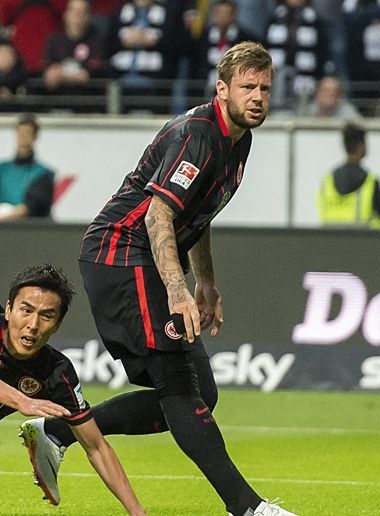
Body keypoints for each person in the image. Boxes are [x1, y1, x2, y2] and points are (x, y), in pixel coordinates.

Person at [20, 42, 296, 516]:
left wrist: (205, 282)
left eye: (265, 89)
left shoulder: (239, 140)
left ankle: (59, 431)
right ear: (222, 88)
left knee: (201, 395)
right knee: (178, 385)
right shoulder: (198, 135)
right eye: (248, 87)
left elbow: (200, 211)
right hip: (120, 254)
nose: (257, 97)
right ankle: (248, 508)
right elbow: (159, 216)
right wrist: (177, 288)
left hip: (144, 259)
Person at [2, 265, 144, 514]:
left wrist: (137, 512)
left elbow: (96, 447)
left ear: (57, 324)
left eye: (46, 316)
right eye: (26, 310)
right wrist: (20, 400)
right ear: (8, 310)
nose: (33, 325)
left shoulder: (57, 373)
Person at [318, 122, 380, 227]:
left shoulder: (327, 180)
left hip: (330, 240)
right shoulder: (370, 181)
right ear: (361, 146)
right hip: (362, 240)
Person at [0, 114, 55, 221]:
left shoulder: (44, 174)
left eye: (27, 133)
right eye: (20, 132)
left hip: (29, 232)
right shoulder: (2, 170)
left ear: (35, 136)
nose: (23, 137)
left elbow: (33, 206)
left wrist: (7, 215)